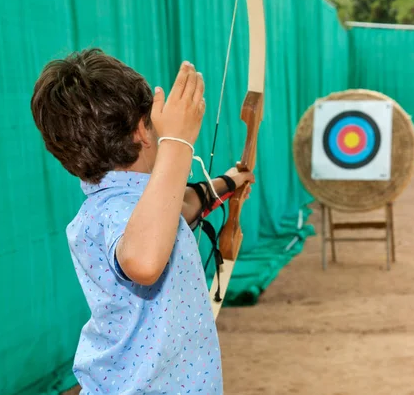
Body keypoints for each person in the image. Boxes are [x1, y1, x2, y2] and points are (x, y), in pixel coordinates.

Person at [30, 48, 253, 394]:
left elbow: (178, 206)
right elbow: (144, 261)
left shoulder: (135, 200)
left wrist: (227, 183)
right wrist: (178, 143)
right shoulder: (115, 209)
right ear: (142, 131)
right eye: (154, 120)